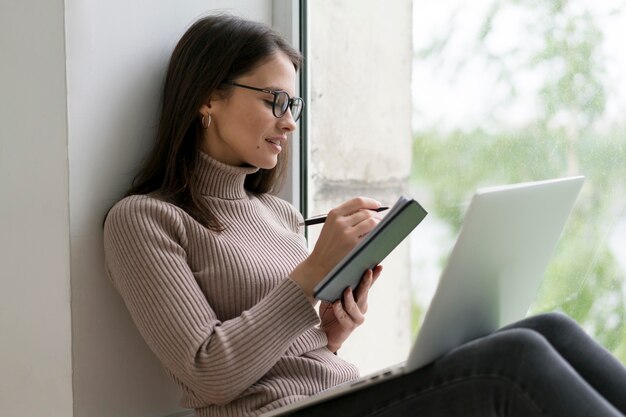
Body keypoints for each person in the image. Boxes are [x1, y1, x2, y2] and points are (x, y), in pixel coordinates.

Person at [103, 13, 626, 417]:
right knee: (511, 362)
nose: (289, 123)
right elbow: (208, 373)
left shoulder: (278, 215)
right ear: (206, 99)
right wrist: (310, 276)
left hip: (336, 396)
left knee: (548, 329)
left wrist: (330, 331)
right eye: (275, 101)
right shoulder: (145, 221)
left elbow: (284, 349)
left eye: (295, 106)